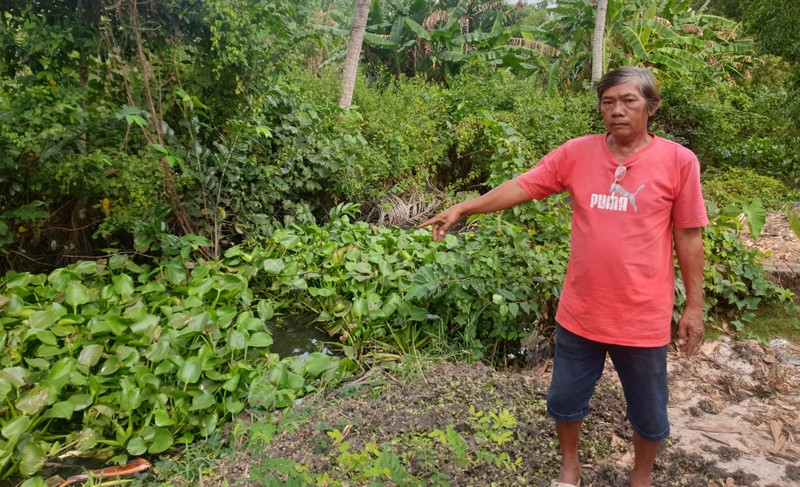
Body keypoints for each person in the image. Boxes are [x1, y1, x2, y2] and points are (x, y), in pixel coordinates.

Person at [419, 66, 707, 487]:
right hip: (580, 313)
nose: (617, 110)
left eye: (628, 101)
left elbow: (688, 236)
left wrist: (694, 306)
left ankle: (641, 476)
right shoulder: (577, 153)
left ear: (652, 107)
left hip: (642, 317)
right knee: (564, 400)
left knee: (650, 412)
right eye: (608, 102)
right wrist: (465, 207)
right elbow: (525, 185)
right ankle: (570, 465)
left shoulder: (680, 162)